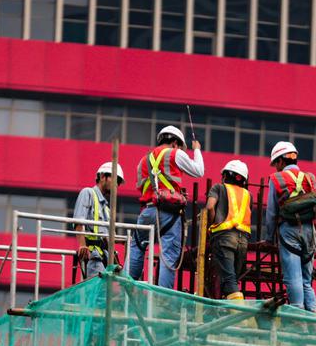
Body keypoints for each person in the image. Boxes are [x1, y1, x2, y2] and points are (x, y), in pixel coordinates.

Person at [127, 125, 204, 289]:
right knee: (168, 255)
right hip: (169, 213)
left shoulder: (143, 161)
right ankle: (162, 299)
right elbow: (199, 171)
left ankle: (125, 286)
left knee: (137, 247)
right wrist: (196, 150)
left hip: (147, 211)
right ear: (175, 143)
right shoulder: (175, 153)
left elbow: (141, 187)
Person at [263, 141, 316, 313]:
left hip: (289, 231)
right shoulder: (310, 178)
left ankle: (298, 316)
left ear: (281, 161)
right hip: (310, 231)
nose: (275, 168)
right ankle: (314, 319)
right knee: (306, 279)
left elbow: (272, 213)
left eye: (276, 164)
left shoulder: (276, 179)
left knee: (293, 277)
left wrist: (269, 237)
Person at [205, 160, 253, 301]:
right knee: (231, 279)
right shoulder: (248, 194)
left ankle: (243, 319)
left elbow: (209, 207)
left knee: (229, 280)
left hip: (224, 238)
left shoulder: (218, 188)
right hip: (243, 241)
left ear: (225, 175)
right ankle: (228, 312)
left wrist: (211, 224)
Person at [73, 161, 124, 279]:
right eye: (115, 179)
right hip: (93, 256)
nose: (116, 185)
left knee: (105, 293)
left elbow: (108, 236)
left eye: (119, 183)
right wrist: (82, 245)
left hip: (105, 258)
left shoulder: (106, 208)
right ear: (102, 177)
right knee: (98, 292)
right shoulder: (88, 193)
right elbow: (79, 221)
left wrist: (125, 240)